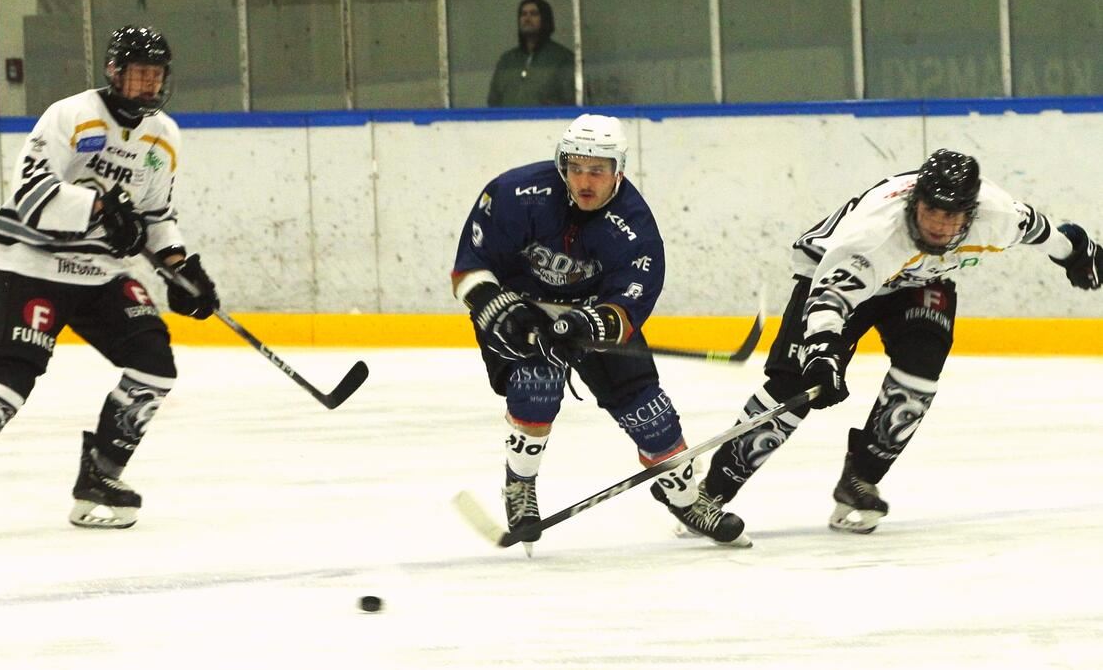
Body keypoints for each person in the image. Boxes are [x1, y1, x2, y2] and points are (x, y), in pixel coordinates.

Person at [698, 149, 1102, 535]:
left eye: (952, 215)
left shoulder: (997, 215)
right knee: (797, 387)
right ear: (915, 203)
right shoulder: (875, 233)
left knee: (920, 372)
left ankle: (860, 479)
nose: (940, 226)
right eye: (931, 212)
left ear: (971, 213)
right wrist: (823, 350)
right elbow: (830, 297)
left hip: (918, 282)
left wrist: (1077, 254)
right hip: (831, 277)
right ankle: (709, 493)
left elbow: (1042, 231)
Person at [451, 113, 751, 554]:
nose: (584, 181)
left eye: (597, 170)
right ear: (562, 166)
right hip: (520, 311)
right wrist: (499, 307)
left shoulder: (635, 228)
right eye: (575, 168)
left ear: (619, 170)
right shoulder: (516, 195)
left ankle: (687, 501)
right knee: (538, 383)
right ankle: (521, 483)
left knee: (652, 415)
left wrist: (582, 323)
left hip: (590, 318)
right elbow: (470, 267)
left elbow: (627, 308)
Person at [0, 25, 219, 530]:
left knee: (154, 364)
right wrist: (98, 206)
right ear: (114, 73)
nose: (147, 85)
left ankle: (100, 476)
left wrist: (180, 268)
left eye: (155, 76)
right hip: (31, 264)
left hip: (99, 272)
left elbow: (155, 215)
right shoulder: (71, 115)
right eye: (138, 74)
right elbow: (30, 194)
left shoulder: (164, 135)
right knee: (11, 379)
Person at [486, 0, 575, 108]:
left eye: (534, 14)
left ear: (545, 19)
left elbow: (571, 103)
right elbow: (494, 102)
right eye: (523, 14)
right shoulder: (507, 61)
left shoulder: (562, 58)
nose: (527, 18)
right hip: (507, 124)